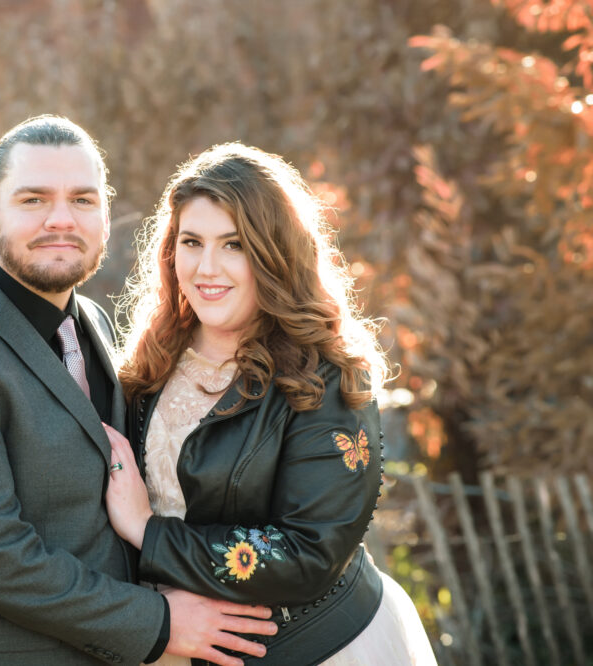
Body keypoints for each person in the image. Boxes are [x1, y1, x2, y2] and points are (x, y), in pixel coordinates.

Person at [0, 117, 278, 666]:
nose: (61, 219)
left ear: (105, 218)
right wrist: (158, 625)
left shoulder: (89, 321)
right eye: (34, 199)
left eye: (82, 200)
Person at [104, 143, 438, 665]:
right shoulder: (146, 366)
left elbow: (310, 554)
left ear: (274, 252)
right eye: (192, 242)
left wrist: (149, 534)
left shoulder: (328, 377)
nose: (207, 267)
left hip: (317, 649)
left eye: (234, 244)